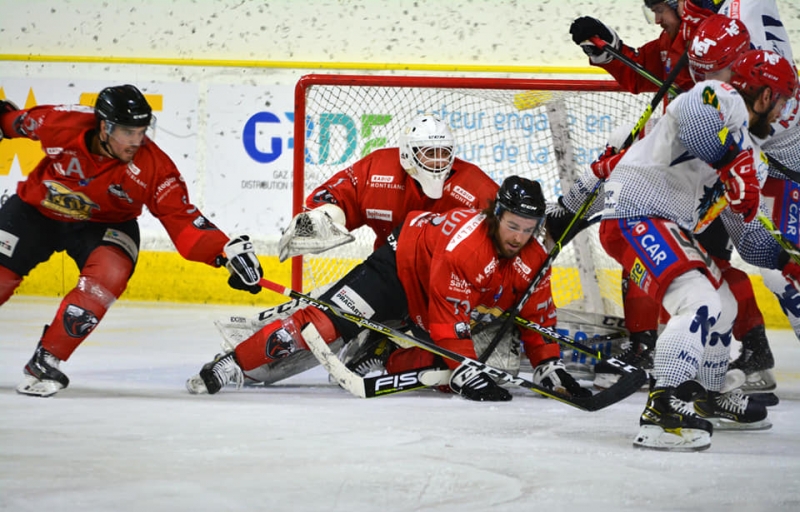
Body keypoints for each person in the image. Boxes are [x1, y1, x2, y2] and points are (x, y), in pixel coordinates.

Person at [187, 176, 592, 401]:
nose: (519, 237)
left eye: (528, 229)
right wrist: (464, 370)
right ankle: (233, 362)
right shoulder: (467, 248)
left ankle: (384, 350)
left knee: (488, 362)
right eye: (512, 226)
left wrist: (548, 364)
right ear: (496, 215)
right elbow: (447, 319)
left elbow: (537, 313)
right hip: (398, 269)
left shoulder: (535, 255)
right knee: (322, 326)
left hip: (435, 294)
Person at [0, 85, 264, 397]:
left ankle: (46, 359)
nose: (137, 141)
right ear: (104, 127)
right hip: (35, 212)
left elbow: (181, 218)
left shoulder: (154, 167)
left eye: (141, 131)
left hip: (106, 225)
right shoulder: (61, 123)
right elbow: (13, 122)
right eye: (127, 132)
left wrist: (224, 252)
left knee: (109, 275)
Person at [199, 113, 502, 386]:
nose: (437, 161)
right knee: (321, 324)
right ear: (408, 153)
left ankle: (381, 350)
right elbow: (335, 196)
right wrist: (324, 217)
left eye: (443, 152)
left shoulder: (475, 187)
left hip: (443, 288)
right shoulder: (380, 170)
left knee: (456, 358)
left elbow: (508, 240)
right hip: (391, 273)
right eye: (428, 152)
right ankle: (244, 363)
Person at [598, 45, 799, 450]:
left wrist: (786, 261)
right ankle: (662, 410)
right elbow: (694, 120)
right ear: (765, 95)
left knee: (724, 304)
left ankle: (708, 394)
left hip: (667, 225)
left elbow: (747, 236)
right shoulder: (720, 96)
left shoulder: (753, 157)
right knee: (699, 301)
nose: (783, 114)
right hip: (634, 214)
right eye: (782, 102)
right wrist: (730, 162)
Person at [566, 2, 776, 389]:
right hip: (678, 178)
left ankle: (747, 350)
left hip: (701, 175)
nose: (657, 19)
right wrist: (610, 50)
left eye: (660, 9)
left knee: (709, 271)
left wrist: (731, 159)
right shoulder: (674, 41)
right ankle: (663, 355)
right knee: (677, 267)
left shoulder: (715, 38)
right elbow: (642, 72)